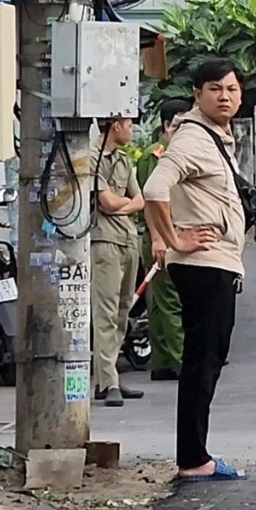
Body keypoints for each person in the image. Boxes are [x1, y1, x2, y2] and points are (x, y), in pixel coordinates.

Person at [143, 58, 249, 482]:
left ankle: (195, 453)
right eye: (215, 89)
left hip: (216, 265)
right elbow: (154, 188)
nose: (225, 96)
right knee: (203, 360)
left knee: (208, 359)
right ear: (197, 94)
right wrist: (175, 240)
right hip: (203, 265)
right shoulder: (194, 138)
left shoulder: (215, 136)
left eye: (232, 89)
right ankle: (193, 458)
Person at [90, 117, 145, 407]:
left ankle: (108, 375)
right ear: (115, 125)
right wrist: (122, 205)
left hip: (127, 239)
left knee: (124, 310)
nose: (131, 130)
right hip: (105, 241)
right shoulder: (91, 156)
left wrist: (119, 205)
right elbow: (106, 203)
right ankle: (107, 380)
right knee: (106, 312)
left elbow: (140, 200)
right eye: (128, 124)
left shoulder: (124, 161)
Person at [136, 98, 191, 382]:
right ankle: (182, 360)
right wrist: (159, 238)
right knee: (171, 299)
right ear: (167, 125)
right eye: (180, 125)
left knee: (158, 300)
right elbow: (151, 200)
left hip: (165, 233)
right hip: (161, 235)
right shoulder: (156, 156)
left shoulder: (172, 154)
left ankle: (163, 361)